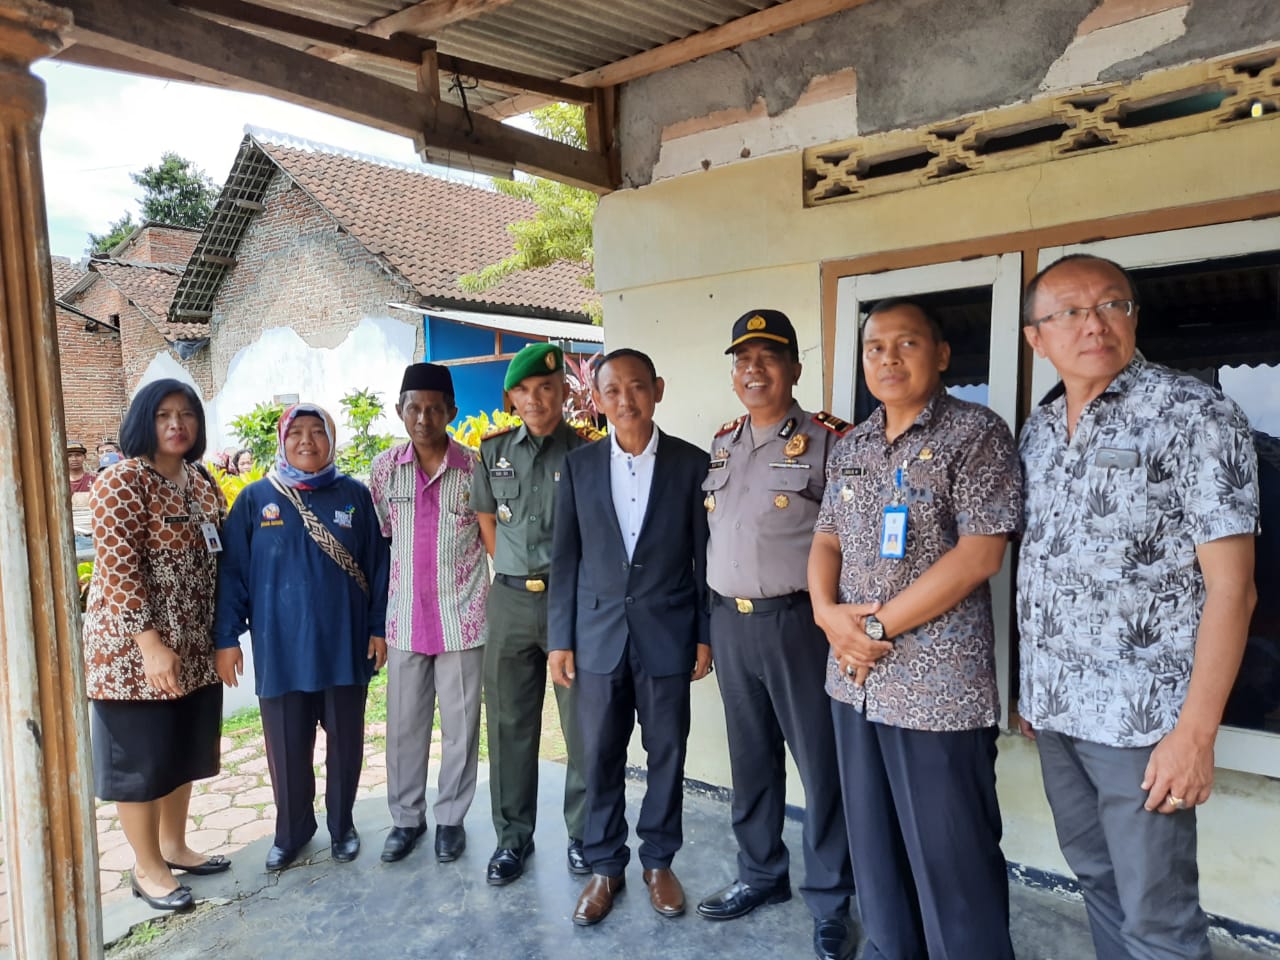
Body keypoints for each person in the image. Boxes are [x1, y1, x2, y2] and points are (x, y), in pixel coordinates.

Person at [1017, 254, 1259, 960]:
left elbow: (1234, 589)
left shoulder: (1194, 413)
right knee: (1097, 879)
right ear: (1036, 336)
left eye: (1112, 305)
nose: (1093, 323)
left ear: (1134, 318)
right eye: (1069, 311)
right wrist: (1034, 687)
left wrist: (1196, 734)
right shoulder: (1039, 431)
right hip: (1057, 712)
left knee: (1160, 919)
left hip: (1144, 725)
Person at [808, 299, 1021, 960]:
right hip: (854, 681)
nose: (889, 359)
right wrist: (823, 612)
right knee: (875, 850)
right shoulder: (853, 445)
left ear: (942, 354)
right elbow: (825, 542)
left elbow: (981, 554)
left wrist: (871, 623)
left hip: (940, 692)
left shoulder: (976, 432)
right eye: (876, 348)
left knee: (953, 862)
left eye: (906, 344)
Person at [696, 309, 857, 960]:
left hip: (802, 626)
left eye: (767, 357)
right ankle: (761, 874)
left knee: (823, 770)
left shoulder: (830, 441)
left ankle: (831, 902)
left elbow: (857, 542)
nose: (753, 369)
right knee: (751, 762)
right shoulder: (724, 442)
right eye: (742, 359)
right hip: (731, 624)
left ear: (794, 367)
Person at [548, 348, 712, 926]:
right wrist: (559, 640)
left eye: (637, 388)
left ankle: (659, 861)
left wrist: (704, 635)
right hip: (596, 638)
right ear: (596, 399)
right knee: (599, 755)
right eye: (612, 391)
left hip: (667, 634)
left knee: (667, 752)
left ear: (658, 390)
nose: (626, 400)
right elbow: (564, 558)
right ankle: (605, 866)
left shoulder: (693, 465)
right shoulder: (579, 466)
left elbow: (703, 559)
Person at [214, 402, 389, 871]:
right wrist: (226, 637)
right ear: (282, 440)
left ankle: (341, 826)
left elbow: (378, 567)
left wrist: (377, 630)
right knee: (287, 748)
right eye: (297, 433)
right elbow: (232, 573)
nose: (307, 441)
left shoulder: (353, 495)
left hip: (344, 646)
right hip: (281, 650)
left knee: (346, 743)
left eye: (318, 432)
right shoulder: (254, 500)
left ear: (332, 440)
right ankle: (292, 831)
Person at [81, 378, 230, 913]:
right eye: (164, 414)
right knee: (142, 761)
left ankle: (174, 845)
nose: (176, 424)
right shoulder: (121, 482)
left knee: (181, 751)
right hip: (133, 656)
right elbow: (118, 569)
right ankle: (146, 867)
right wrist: (150, 645)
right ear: (145, 420)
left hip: (192, 648)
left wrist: (223, 636)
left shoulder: (202, 481)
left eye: (186, 414)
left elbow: (221, 556)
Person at [470, 342, 596, 885]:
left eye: (546, 388)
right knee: (508, 725)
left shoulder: (590, 453)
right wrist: (521, 573)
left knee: (583, 726)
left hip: (572, 602)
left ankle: (585, 835)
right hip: (512, 599)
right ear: (511, 398)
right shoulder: (492, 452)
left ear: (564, 392)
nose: (536, 399)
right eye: (524, 390)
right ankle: (512, 839)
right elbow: (489, 528)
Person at [369, 363, 488, 864]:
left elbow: (491, 540)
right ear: (400, 410)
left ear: (452, 412)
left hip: (462, 618)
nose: (423, 418)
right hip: (404, 620)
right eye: (413, 407)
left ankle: (451, 820)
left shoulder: (475, 468)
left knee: (461, 728)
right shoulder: (383, 469)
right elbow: (382, 539)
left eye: (434, 408)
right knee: (404, 726)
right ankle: (405, 819)